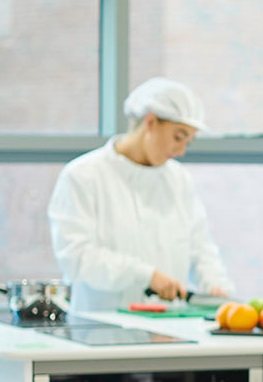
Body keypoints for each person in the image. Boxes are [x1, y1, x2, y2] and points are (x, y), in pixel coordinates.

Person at [47, 78, 234, 314]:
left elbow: (201, 247)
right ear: (151, 121)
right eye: (178, 136)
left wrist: (215, 285)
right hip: (101, 327)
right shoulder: (84, 175)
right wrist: (145, 276)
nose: (181, 151)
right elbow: (78, 257)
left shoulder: (178, 180)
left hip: (170, 326)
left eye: (189, 141)